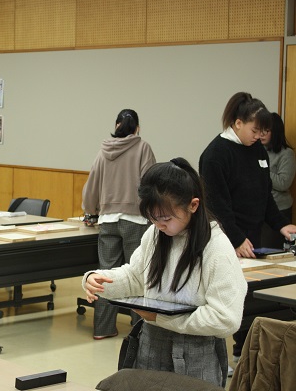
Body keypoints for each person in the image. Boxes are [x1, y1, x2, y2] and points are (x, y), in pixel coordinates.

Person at [82, 158, 247, 387]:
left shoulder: (216, 247)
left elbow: (225, 319)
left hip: (195, 355)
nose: (159, 224)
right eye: (153, 218)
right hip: (151, 346)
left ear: (193, 205)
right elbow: (135, 277)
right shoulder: (155, 235)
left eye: (166, 218)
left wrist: (162, 318)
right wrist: (99, 280)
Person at [199, 92, 296, 363]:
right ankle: (235, 356)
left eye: (262, 132)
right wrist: (237, 239)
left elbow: (265, 196)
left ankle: (249, 352)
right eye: (255, 130)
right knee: (232, 300)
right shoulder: (215, 154)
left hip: (251, 240)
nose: (258, 136)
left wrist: (281, 225)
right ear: (238, 123)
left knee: (254, 299)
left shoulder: (257, 150)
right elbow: (217, 206)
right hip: (225, 240)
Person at [81, 109, 156, 339]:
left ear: (116, 126)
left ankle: (103, 329)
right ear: (138, 128)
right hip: (135, 220)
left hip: (108, 221)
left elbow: (91, 186)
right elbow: (150, 185)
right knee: (136, 275)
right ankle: (138, 330)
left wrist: (91, 211)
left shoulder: (104, 151)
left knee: (105, 276)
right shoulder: (143, 148)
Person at [259, 113, 296, 249]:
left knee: (270, 249)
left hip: (279, 209)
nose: (261, 134)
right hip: (258, 209)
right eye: (259, 130)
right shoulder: (256, 151)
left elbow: (283, 182)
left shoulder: (286, 154)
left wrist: (261, 170)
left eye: (266, 131)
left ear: (275, 132)